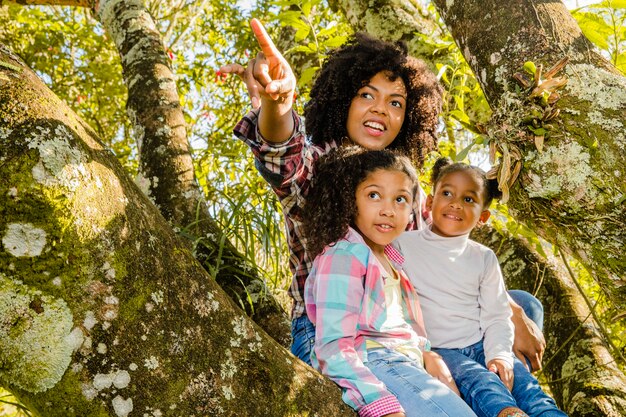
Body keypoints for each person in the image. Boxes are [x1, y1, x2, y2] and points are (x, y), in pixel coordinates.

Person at [219, 18, 545, 370]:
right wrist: (278, 102)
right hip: (338, 329)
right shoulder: (317, 165)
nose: (380, 108)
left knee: (524, 304)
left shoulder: (409, 189)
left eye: (396, 103)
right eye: (366, 95)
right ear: (343, 100)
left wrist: (508, 311)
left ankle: (503, 394)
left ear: (408, 118)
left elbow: (450, 257)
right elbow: (282, 151)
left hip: (406, 328)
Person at [303, 147, 477, 417]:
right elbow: (332, 346)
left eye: (400, 199)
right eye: (374, 195)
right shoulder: (343, 256)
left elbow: (405, 327)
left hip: (409, 364)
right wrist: (380, 404)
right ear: (352, 201)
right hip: (377, 363)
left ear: (412, 209)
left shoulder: (394, 260)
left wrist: (427, 353)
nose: (388, 210)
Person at [394, 158, 567, 417]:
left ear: (482, 217)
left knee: (529, 390)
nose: (455, 203)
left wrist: (499, 355)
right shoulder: (401, 245)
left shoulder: (483, 257)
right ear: (429, 202)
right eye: (447, 193)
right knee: (484, 386)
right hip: (442, 350)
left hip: (482, 342)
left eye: (468, 199)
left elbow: (497, 315)